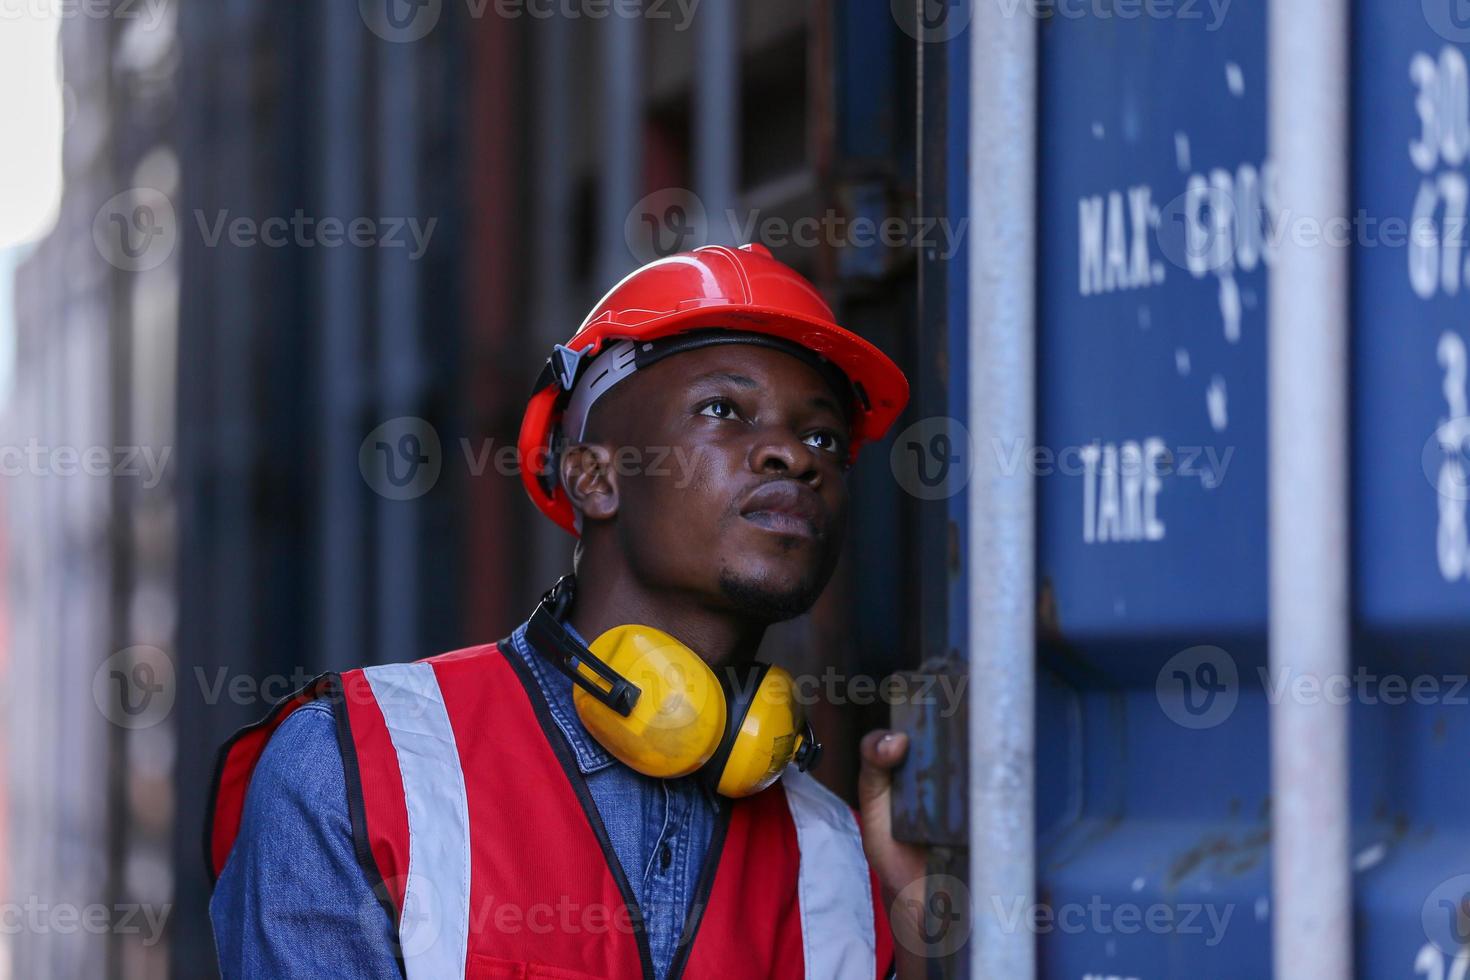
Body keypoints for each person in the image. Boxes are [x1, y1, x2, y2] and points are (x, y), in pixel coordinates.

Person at [207, 243, 928, 978]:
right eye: (724, 409)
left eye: (822, 437)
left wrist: (933, 941)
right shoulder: (358, 767)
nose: (793, 456)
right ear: (592, 476)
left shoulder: (840, 857)